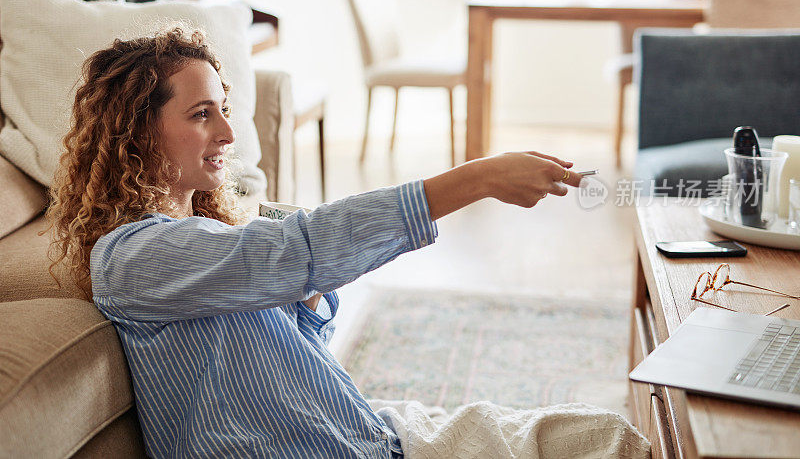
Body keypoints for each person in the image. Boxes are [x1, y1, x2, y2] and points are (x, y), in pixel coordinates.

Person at [47, 27, 591, 458]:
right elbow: (298, 250)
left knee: (593, 435)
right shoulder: (133, 258)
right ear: (137, 132)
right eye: (199, 114)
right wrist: (478, 179)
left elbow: (295, 353)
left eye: (223, 109)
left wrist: (306, 297)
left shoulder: (216, 237)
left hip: (373, 433)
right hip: (351, 446)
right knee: (599, 442)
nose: (228, 134)